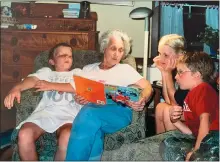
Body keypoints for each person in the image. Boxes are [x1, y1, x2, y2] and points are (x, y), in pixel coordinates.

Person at [65, 29, 153, 161]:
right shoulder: (88, 69)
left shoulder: (125, 69)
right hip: (92, 110)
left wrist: (142, 99)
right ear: (104, 48)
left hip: (118, 112)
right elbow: (80, 91)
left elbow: (147, 87)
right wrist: (79, 98)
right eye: (113, 49)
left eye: (121, 50)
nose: (117, 54)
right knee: (93, 132)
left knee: (88, 114)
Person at [4, 43, 83, 161]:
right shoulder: (47, 72)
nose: (67, 58)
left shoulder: (77, 72)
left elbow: (80, 87)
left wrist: (53, 86)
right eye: (62, 55)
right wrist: (17, 88)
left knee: (67, 136)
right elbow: (32, 80)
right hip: (46, 113)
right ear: (52, 61)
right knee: (24, 134)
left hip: (69, 114)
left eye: (70, 56)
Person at [161, 52, 219, 161]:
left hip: (215, 139)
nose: (176, 76)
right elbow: (192, 131)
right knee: (168, 143)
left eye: (180, 72)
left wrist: (196, 151)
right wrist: (175, 121)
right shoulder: (191, 94)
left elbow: (204, 122)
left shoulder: (203, 89)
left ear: (197, 74)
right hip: (205, 139)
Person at [153, 34, 189, 134]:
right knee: (161, 107)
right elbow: (168, 99)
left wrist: (167, 74)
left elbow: (175, 104)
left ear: (180, 56)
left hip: (193, 116)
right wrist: (164, 72)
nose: (161, 59)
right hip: (181, 111)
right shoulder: (176, 70)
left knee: (167, 111)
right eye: (159, 54)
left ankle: (173, 147)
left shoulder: (186, 73)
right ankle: (160, 144)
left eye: (166, 55)